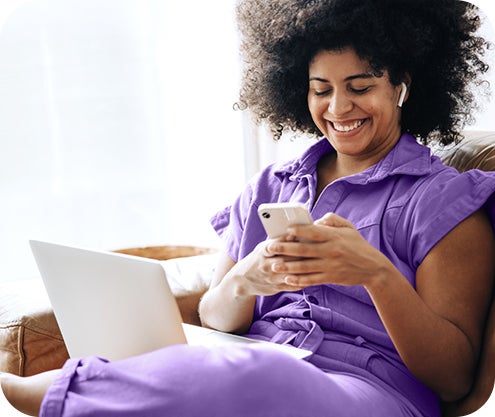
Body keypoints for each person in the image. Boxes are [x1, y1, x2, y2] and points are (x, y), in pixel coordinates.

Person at [2, 0, 495, 416]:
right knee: (209, 363)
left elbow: (453, 382)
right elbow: (216, 318)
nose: (339, 109)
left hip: (371, 392)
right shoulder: (269, 186)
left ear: (402, 84)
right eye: (321, 89)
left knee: (255, 375)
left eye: (360, 87)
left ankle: (23, 396)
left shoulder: (443, 199)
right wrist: (245, 279)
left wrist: (377, 274)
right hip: (256, 362)